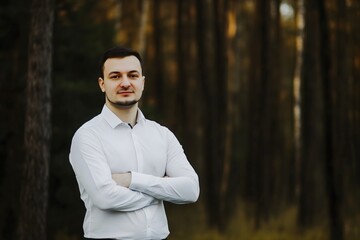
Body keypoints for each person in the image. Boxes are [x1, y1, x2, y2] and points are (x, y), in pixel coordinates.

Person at [69, 46, 200, 240]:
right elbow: (105, 197)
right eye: (115, 76)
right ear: (102, 84)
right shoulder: (87, 136)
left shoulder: (162, 135)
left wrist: (131, 180)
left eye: (132, 75)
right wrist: (162, 192)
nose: (125, 83)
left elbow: (190, 190)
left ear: (142, 82)